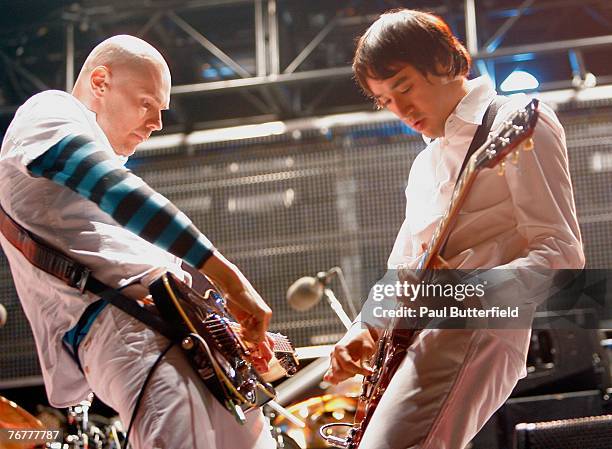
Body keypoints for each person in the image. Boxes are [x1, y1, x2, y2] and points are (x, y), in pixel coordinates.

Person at [324, 9, 584, 449]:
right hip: (421, 334)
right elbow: (404, 267)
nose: (400, 110)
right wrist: (364, 328)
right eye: (385, 100)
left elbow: (561, 253)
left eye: (404, 87)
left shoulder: (516, 120)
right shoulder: (425, 162)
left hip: (478, 325)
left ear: (446, 62)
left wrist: (469, 292)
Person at [0, 35, 276, 449]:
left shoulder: (86, 200)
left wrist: (225, 330)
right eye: (147, 102)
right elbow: (116, 190)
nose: (158, 122)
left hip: (168, 334)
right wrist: (228, 279)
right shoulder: (50, 111)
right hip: (133, 333)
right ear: (100, 81)